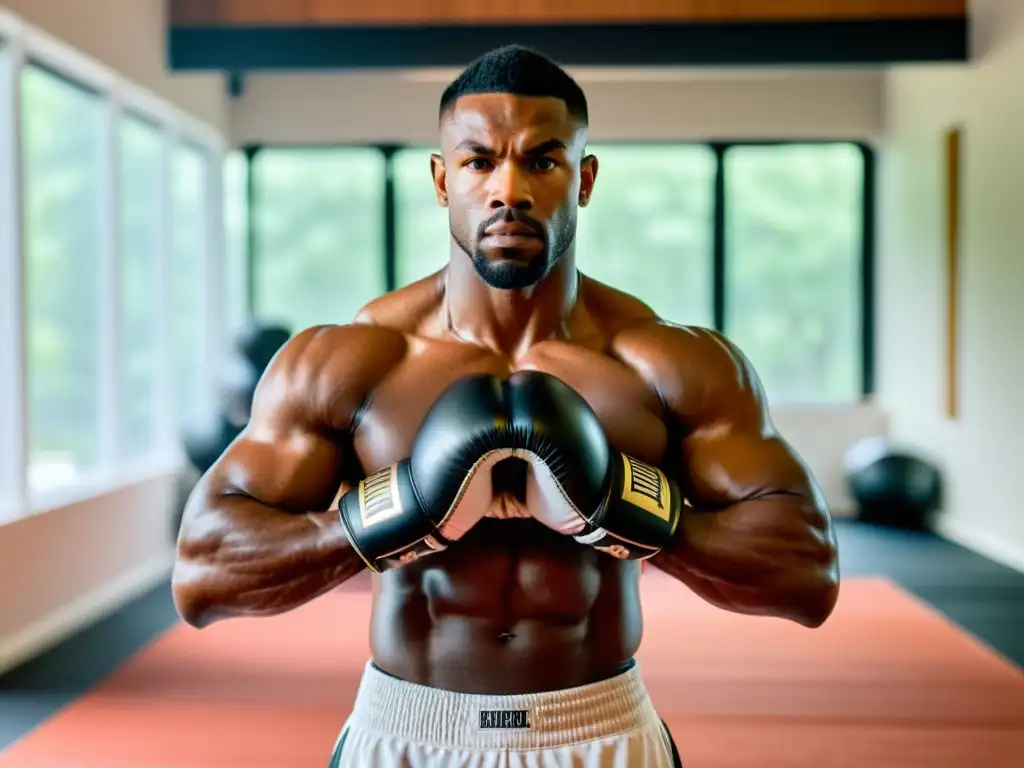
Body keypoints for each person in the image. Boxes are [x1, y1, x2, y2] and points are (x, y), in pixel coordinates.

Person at [172, 44, 840, 768]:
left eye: (542, 161)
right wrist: (403, 511)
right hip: (407, 731)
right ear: (441, 179)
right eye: (479, 161)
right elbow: (204, 571)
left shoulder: (668, 363)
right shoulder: (355, 360)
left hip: (598, 729)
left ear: (583, 179)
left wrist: (620, 506)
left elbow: (807, 573)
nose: (508, 190)